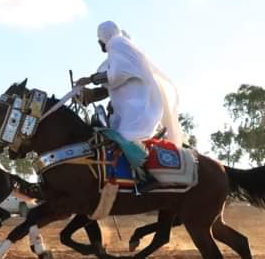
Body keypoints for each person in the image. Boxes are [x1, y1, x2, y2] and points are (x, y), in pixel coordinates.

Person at [74, 21, 183, 191]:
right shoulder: (119, 51)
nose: (99, 44)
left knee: (123, 138)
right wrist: (88, 96)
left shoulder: (117, 44)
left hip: (139, 109)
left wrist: (90, 79)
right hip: (131, 109)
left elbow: (117, 75)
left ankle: (148, 175)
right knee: (111, 138)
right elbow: (111, 84)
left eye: (99, 40)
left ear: (104, 37)